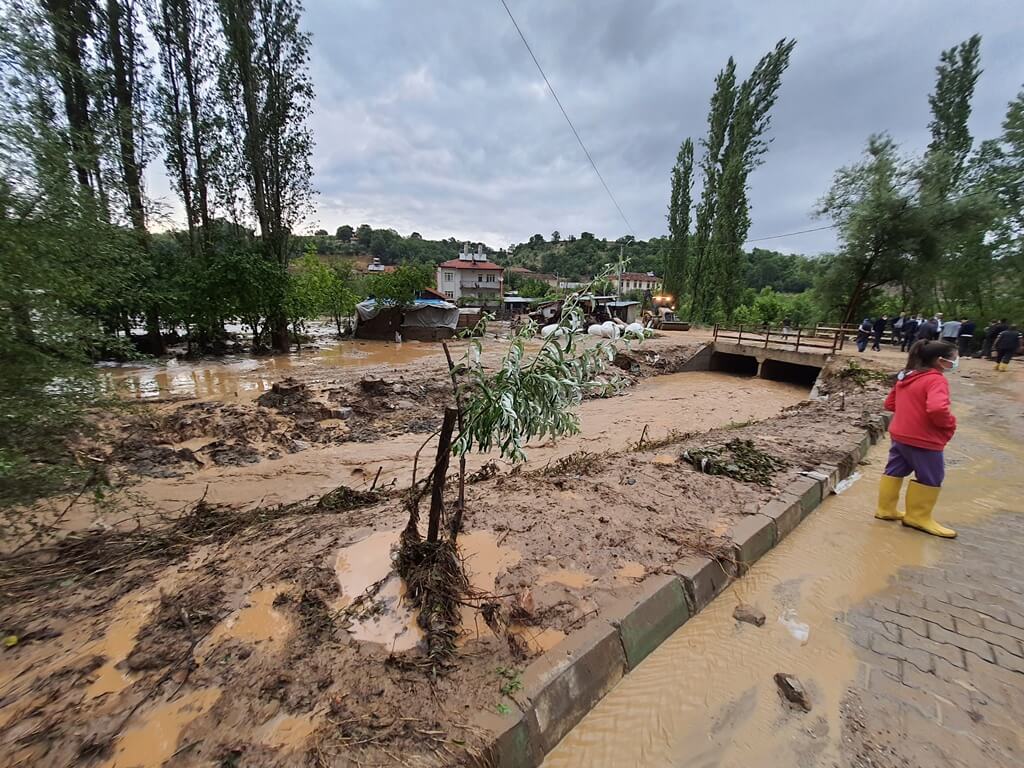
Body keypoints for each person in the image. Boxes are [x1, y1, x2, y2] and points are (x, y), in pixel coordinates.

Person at [875, 340, 959, 538]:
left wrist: (909, 412)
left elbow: (889, 403)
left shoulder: (906, 376)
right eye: (954, 358)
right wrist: (949, 423)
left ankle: (885, 509)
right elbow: (938, 408)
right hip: (923, 438)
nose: (956, 361)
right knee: (931, 478)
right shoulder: (935, 380)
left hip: (900, 435)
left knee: (894, 470)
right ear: (941, 361)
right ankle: (918, 517)